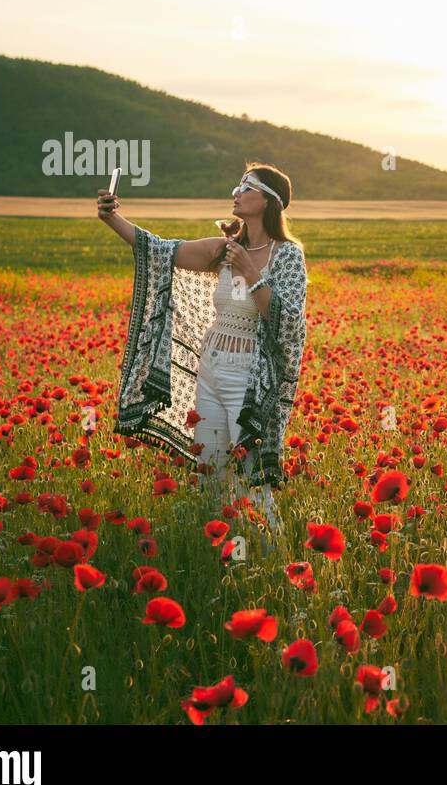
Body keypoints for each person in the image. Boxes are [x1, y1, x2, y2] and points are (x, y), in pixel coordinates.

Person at [97, 163, 308, 535]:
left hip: (250, 379)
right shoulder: (224, 250)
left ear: (268, 201)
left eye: (247, 186)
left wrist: (250, 273)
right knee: (210, 471)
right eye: (238, 185)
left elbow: (288, 323)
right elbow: (161, 251)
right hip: (211, 372)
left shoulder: (288, 255)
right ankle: (223, 554)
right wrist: (113, 218)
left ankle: (272, 558)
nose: (236, 192)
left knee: (252, 478)